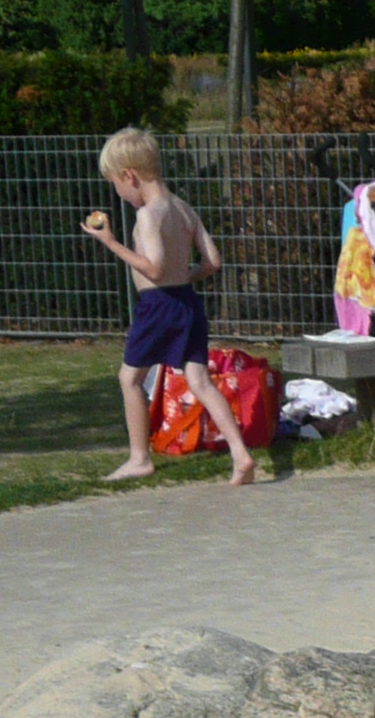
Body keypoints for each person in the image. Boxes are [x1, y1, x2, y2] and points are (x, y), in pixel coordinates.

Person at [80, 128, 255, 488]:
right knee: (199, 380)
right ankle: (241, 454)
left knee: (129, 379)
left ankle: (139, 459)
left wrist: (111, 242)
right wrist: (186, 277)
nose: (119, 193)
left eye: (116, 185)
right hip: (187, 302)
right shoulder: (183, 208)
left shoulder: (148, 215)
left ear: (129, 176)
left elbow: (155, 268)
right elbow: (213, 262)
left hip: (157, 306)